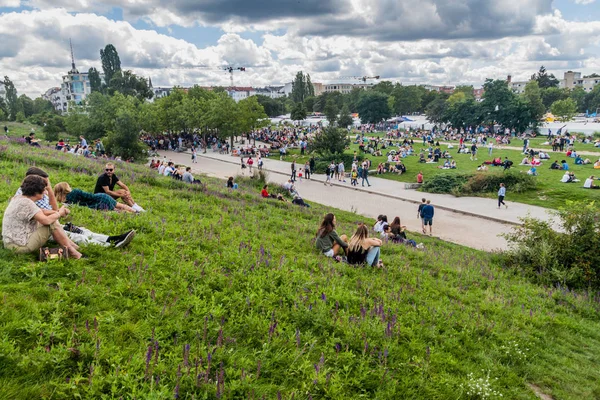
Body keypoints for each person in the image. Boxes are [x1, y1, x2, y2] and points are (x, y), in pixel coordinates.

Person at [16, 167, 131, 248]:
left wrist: (50, 189)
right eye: (44, 182)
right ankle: (109, 245)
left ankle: (111, 239)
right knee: (75, 236)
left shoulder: (40, 191)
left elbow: (53, 209)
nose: (45, 185)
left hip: (50, 224)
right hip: (38, 228)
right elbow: (42, 216)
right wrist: (59, 213)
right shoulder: (25, 194)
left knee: (82, 230)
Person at [3, 175, 83, 258]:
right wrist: (59, 214)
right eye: (44, 190)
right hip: (20, 247)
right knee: (51, 222)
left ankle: (68, 248)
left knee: (52, 219)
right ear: (36, 192)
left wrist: (57, 212)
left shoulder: (18, 198)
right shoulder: (27, 203)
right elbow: (46, 221)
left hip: (10, 245)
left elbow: (39, 211)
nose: (46, 192)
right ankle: (72, 251)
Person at [54, 182, 136, 212]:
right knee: (121, 206)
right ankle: (136, 212)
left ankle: (133, 214)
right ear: (66, 188)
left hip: (97, 205)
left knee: (117, 210)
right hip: (100, 197)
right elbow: (89, 196)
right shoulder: (75, 192)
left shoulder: (64, 203)